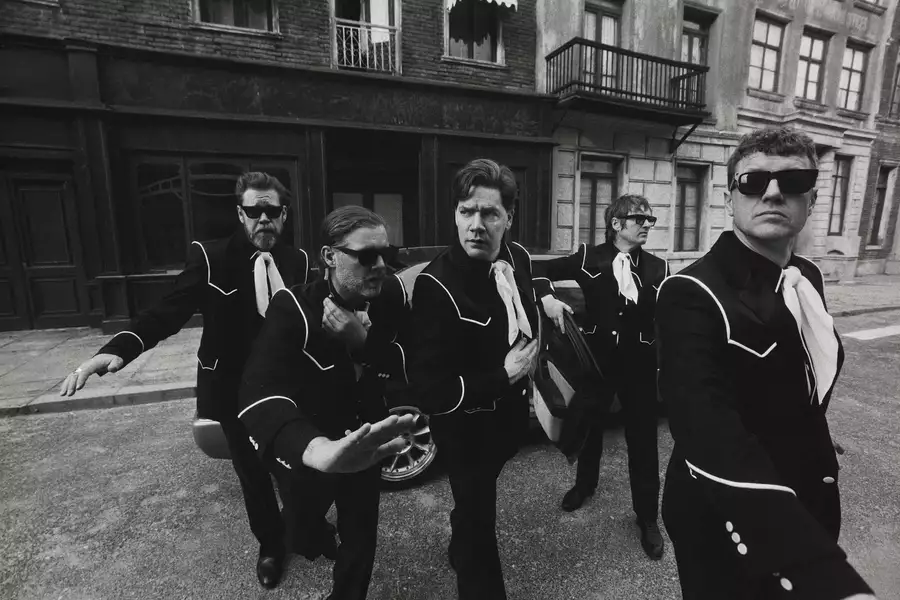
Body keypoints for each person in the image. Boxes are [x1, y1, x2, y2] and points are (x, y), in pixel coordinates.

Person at [58, 171, 328, 589]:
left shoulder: (300, 262)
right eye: (254, 211)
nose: (263, 219)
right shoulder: (211, 257)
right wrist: (116, 350)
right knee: (253, 476)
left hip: (286, 389)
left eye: (271, 211)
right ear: (240, 213)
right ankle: (271, 546)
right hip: (232, 392)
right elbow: (169, 311)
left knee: (297, 470)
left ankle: (306, 531)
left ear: (284, 214)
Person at [656, 127, 876, 600]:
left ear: (812, 198)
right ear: (730, 197)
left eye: (792, 181)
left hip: (811, 495)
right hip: (727, 514)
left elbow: (802, 378)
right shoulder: (691, 292)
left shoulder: (808, 277)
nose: (773, 192)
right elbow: (707, 430)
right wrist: (819, 570)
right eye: (753, 181)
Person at [237, 205, 416, 600]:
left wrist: (364, 344)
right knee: (300, 531)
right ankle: (309, 537)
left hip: (365, 442)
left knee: (361, 537)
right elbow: (257, 390)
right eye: (367, 256)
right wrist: (317, 450)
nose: (381, 265)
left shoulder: (391, 299)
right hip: (313, 451)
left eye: (387, 253)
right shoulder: (294, 308)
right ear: (330, 256)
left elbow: (411, 363)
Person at [408, 158, 540, 600]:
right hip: (465, 431)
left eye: (490, 213)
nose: (477, 225)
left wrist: (551, 303)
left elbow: (531, 290)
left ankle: (461, 529)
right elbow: (431, 390)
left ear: (508, 219)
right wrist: (503, 375)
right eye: (467, 211)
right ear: (455, 214)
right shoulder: (436, 285)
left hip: (508, 423)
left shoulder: (516, 256)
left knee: (473, 510)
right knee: (481, 528)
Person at [535, 194, 667, 560]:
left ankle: (647, 518)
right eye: (638, 218)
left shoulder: (659, 268)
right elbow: (538, 270)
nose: (645, 225)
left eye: (649, 220)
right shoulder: (587, 258)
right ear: (616, 223)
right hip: (596, 362)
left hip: (639, 368)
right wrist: (546, 298)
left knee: (643, 443)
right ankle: (584, 486)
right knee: (589, 428)